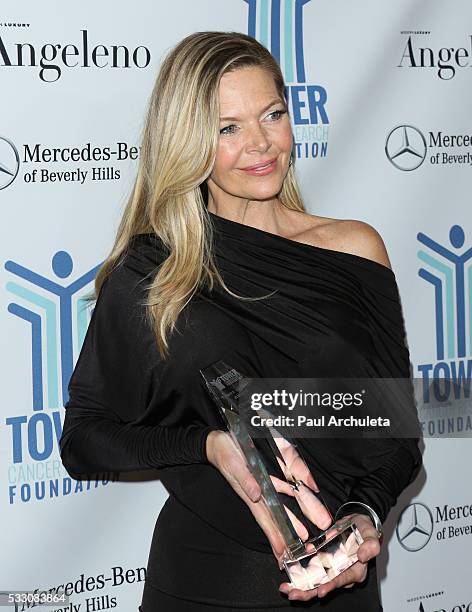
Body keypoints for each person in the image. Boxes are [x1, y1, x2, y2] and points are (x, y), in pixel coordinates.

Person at [59, 31, 422, 611]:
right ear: (188, 141)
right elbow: (84, 438)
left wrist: (364, 515)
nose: (261, 145)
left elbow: (394, 432)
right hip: (210, 581)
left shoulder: (355, 249)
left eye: (272, 115)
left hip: (342, 576)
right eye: (228, 128)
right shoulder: (154, 271)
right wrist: (207, 445)